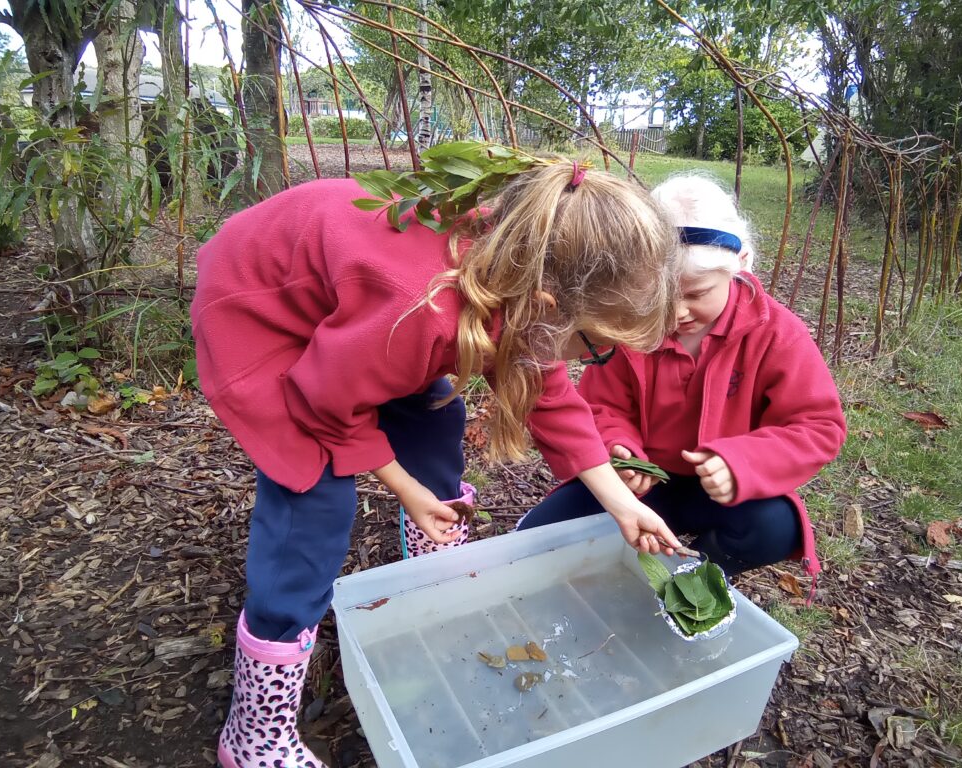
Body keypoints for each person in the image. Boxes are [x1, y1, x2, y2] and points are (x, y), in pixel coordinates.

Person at [191, 156, 685, 768]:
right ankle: (255, 732)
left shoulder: (528, 264)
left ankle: (431, 574)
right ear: (551, 301)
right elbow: (325, 403)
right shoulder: (419, 311)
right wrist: (403, 488)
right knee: (314, 500)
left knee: (436, 415)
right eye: (596, 347)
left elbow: (551, 396)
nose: (592, 361)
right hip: (264, 310)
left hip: (362, 326)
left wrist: (624, 504)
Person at [518, 173, 847, 595]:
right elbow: (600, 406)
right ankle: (622, 564)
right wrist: (622, 450)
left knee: (774, 525)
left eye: (696, 293)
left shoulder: (776, 334)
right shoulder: (631, 329)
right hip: (646, 486)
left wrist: (741, 463)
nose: (676, 311)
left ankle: (697, 578)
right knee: (538, 535)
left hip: (725, 494)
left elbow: (818, 427)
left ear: (740, 265)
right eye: (661, 293)